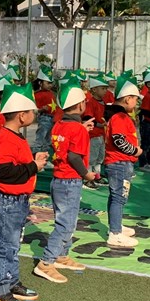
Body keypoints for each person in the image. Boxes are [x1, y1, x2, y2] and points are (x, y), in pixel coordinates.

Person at [0, 83, 48, 301]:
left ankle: (11, 282)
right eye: (32, 111)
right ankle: (0, 291)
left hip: (17, 201)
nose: (34, 115)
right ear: (22, 115)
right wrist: (33, 166)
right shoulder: (6, 138)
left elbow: (16, 163)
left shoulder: (15, 137)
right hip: (8, 202)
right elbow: (5, 171)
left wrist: (33, 160)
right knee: (4, 246)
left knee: (12, 245)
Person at [34, 78, 95, 283]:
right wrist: (86, 174)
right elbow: (74, 156)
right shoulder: (78, 130)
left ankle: (61, 255)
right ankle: (46, 261)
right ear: (80, 105)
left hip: (58, 179)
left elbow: (64, 145)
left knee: (67, 219)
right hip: (71, 180)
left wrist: (81, 128)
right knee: (66, 223)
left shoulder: (59, 125)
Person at [103, 73, 142, 249]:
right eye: (135, 99)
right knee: (119, 196)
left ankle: (115, 225)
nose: (137, 103)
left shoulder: (119, 116)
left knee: (116, 196)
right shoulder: (119, 117)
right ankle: (115, 233)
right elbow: (119, 140)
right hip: (119, 162)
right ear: (127, 99)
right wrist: (135, 150)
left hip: (120, 162)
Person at [83, 72, 110, 188]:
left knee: (100, 157)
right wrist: (100, 124)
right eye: (103, 88)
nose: (105, 91)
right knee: (92, 157)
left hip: (101, 135)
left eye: (106, 88)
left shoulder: (103, 102)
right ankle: (88, 178)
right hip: (94, 135)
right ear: (94, 90)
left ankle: (97, 176)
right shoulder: (91, 103)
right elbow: (88, 118)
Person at [31, 67, 56, 156]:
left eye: (51, 83)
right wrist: (41, 109)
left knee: (48, 140)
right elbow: (35, 109)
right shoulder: (38, 94)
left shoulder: (52, 93)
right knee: (40, 139)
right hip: (44, 118)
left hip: (52, 119)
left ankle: (45, 156)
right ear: (40, 83)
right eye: (48, 83)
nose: (50, 85)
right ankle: (36, 155)